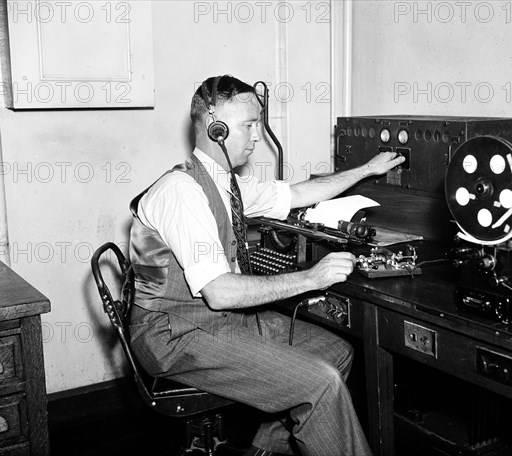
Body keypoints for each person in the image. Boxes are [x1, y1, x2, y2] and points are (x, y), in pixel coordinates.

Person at [128, 75, 405, 456]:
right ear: (216, 129)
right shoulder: (182, 192)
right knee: (320, 382)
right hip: (176, 336)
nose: (257, 136)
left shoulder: (225, 183)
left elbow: (299, 193)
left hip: (210, 321)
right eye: (248, 125)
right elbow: (221, 292)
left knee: (336, 353)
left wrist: (365, 170)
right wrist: (311, 277)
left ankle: (265, 451)